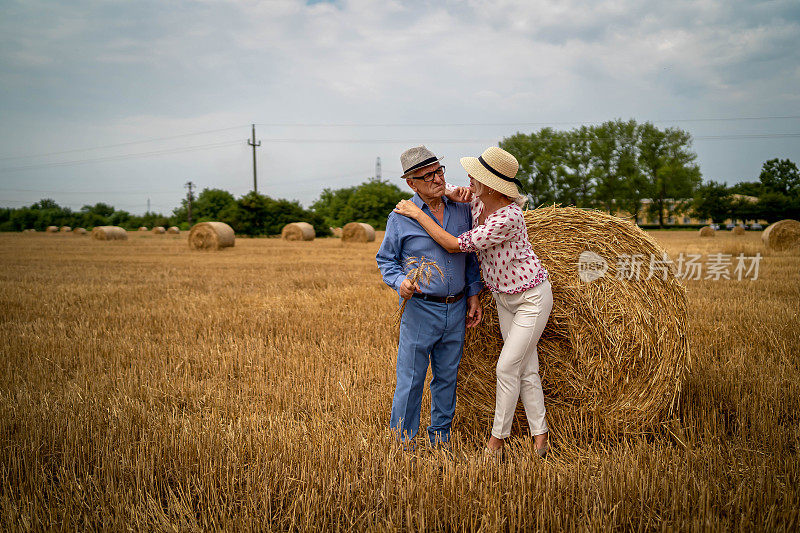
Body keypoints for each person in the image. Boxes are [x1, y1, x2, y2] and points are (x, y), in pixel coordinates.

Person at [393, 146, 552, 457]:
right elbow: (443, 188)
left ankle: (496, 441)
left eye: (476, 176)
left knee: (507, 368)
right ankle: (540, 435)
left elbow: (455, 245)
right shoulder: (478, 201)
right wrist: (442, 192)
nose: (467, 178)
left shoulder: (508, 216)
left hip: (531, 298)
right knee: (526, 369)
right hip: (504, 299)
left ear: (491, 185)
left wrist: (417, 214)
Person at [376, 145, 484, 448]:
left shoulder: (462, 210)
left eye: (439, 171)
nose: (438, 179)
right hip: (420, 311)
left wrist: (474, 294)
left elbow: (471, 257)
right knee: (411, 380)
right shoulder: (400, 218)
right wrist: (400, 283)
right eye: (428, 176)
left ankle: (440, 438)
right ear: (411, 183)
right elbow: (386, 260)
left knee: (447, 378)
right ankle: (404, 441)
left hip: (457, 306)